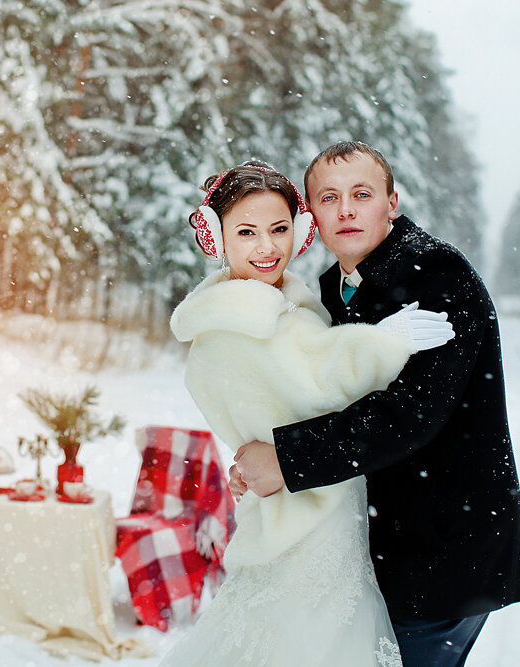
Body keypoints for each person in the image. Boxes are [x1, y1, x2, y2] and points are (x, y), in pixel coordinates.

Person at [231, 142, 520, 666]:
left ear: (391, 204)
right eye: (329, 197)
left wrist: (286, 459)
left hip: (442, 553)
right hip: (380, 549)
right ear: (312, 214)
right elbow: (324, 389)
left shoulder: (438, 277)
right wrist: (259, 455)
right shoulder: (333, 289)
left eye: (361, 194)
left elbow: (410, 413)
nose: (345, 209)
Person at [160, 161, 454, 666]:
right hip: (303, 521)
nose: (266, 247)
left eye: (278, 230)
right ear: (217, 237)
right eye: (246, 232)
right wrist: (382, 343)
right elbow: (315, 379)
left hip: (314, 504)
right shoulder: (238, 322)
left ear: (298, 232)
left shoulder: (280, 303)